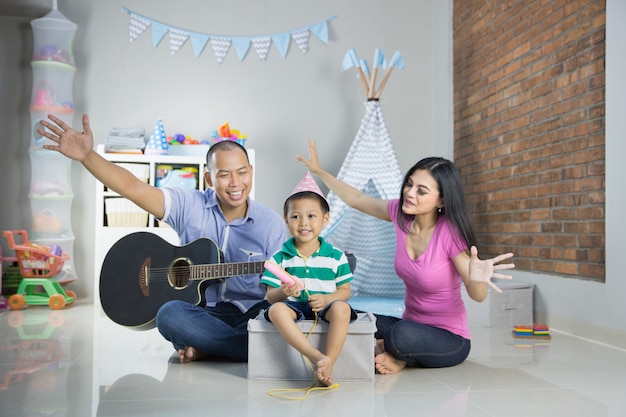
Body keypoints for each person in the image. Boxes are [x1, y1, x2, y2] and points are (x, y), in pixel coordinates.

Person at [38, 114, 287, 363]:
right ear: (209, 179)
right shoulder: (189, 205)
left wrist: (286, 291)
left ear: (251, 172)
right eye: (224, 175)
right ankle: (245, 348)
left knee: (277, 315)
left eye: (242, 172)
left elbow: (275, 291)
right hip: (199, 314)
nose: (236, 183)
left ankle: (209, 347)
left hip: (249, 314)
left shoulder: (271, 224)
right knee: (168, 314)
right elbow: (132, 188)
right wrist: (87, 156)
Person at [296, 139, 515, 374]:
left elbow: (477, 295)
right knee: (346, 314)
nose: (410, 193)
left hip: (449, 338)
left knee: (400, 336)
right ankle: (393, 352)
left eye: (422, 191)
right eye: (409, 185)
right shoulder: (399, 214)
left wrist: (478, 278)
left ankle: (395, 354)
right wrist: (319, 172)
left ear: (441, 200)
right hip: (409, 323)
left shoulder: (449, 234)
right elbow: (358, 199)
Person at [261, 172, 357, 386]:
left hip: (324, 306)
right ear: (286, 220)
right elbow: (270, 297)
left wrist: (328, 298)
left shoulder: (336, 256)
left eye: (311, 216)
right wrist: (283, 292)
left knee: (343, 308)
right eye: (295, 216)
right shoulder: (279, 258)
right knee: (276, 310)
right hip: (294, 307)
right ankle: (315, 356)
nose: (303, 223)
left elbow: (345, 291)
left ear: (325, 219)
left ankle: (329, 361)